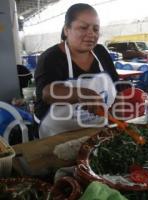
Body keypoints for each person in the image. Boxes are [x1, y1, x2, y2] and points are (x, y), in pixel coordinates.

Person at [34, 3, 120, 138]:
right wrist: (82, 93)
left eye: (95, 29)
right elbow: (48, 93)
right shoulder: (51, 57)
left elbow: (115, 85)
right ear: (67, 29)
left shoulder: (101, 52)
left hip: (96, 131)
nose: (91, 34)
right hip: (58, 135)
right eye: (83, 27)